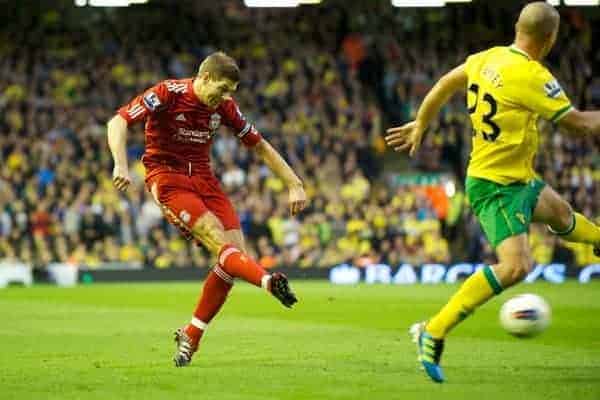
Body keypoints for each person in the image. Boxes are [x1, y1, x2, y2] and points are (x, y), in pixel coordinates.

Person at [385, 2, 600, 383]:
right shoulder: (532, 76)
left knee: (562, 214)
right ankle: (433, 330)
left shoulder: (485, 58)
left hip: (516, 177)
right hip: (497, 186)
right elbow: (580, 125)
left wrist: (422, 121)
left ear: (518, 27)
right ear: (550, 39)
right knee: (516, 266)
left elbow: (444, 84)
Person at [107, 51, 307, 367]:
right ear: (206, 78)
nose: (226, 98)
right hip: (168, 178)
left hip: (204, 179)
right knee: (220, 243)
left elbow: (260, 144)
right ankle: (268, 282)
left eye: (231, 92)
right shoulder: (167, 93)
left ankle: (191, 334)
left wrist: (294, 183)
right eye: (223, 89)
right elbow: (118, 120)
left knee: (234, 258)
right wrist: (120, 163)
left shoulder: (224, 107)